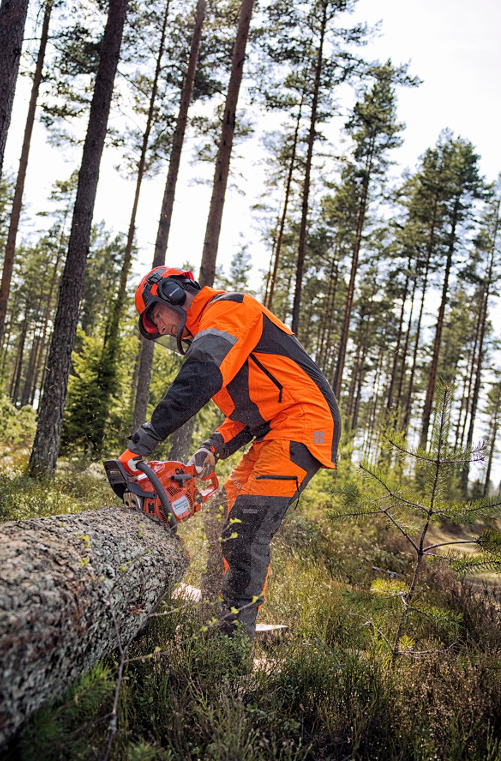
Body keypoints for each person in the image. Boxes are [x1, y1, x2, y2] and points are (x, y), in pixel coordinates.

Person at [119, 265, 341, 641]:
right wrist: (212, 446)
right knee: (223, 518)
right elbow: (247, 410)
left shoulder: (229, 310)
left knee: (247, 529)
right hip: (271, 428)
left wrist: (147, 437)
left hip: (302, 422)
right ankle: (211, 609)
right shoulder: (215, 327)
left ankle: (232, 643)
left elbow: (201, 376)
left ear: (173, 292)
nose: (163, 328)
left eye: (158, 316)